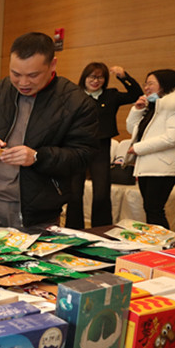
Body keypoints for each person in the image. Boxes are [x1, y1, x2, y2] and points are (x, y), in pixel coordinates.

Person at [0, 32, 98, 233]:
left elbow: (83, 156)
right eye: (15, 74)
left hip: (37, 213)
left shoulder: (76, 102)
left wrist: (37, 157)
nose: (23, 83)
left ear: (52, 65)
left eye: (33, 75)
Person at [66, 63, 142, 228]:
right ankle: (73, 229)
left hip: (101, 146)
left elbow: (136, 94)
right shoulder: (75, 96)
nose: (95, 81)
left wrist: (124, 76)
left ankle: (101, 229)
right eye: (92, 77)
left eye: (100, 77)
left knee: (101, 192)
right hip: (76, 146)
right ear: (84, 78)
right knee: (74, 193)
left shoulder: (110, 95)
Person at [125, 69, 175, 229]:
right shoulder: (154, 106)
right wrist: (137, 110)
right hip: (149, 164)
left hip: (164, 166)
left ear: (164, 85)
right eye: (145, 84)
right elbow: (132, 129)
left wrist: (138, 148)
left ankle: (164, 243)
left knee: (154, 209)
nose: (146, 87)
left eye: (151, 83)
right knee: (150, 208)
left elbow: (173, 137)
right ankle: (156, 240)